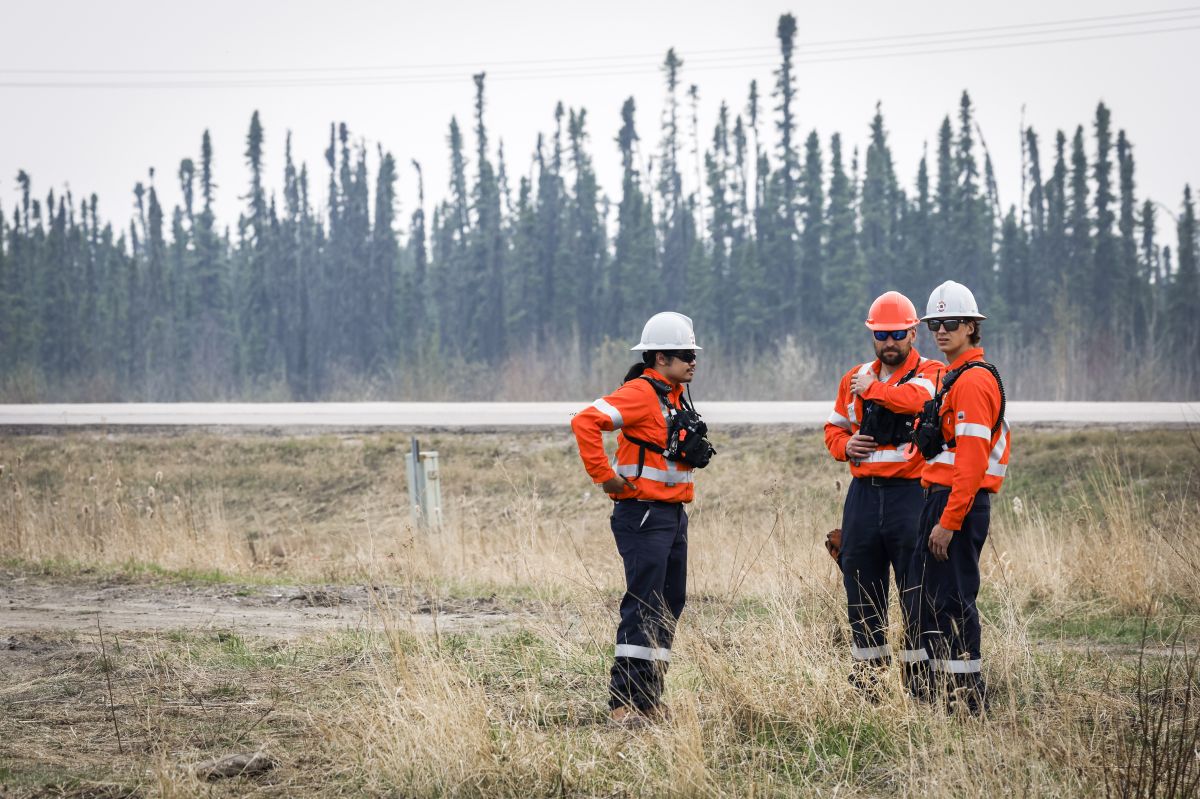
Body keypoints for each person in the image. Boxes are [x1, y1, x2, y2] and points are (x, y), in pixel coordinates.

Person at [570, 311, 713, 726]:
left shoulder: (672, 395)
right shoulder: (640, 393)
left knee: (669, 604)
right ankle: (623, 703)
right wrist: (605, 477)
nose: (693, 360)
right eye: (685, 353)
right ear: (660, 357)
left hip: (671, 514)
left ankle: (649, 698)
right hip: (643, 514)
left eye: (693, 353)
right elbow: (585, 421)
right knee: (644, 604)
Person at [824, 291, 943, 699]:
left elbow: (919, 399)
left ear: (913, 332)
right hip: (863, 494)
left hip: (911, 495)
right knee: (860, 586)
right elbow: (833, 428)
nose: (889, 342)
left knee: (917, 590)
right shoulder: (853, 377)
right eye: (881, 335)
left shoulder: (932, 371)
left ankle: (921, 687)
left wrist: (873, 389)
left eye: (896, 334)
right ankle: (870, 687)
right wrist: (845, 446)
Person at [905, 280, 1009, 715]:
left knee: (954, 600)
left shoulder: (971, 383)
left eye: (949, 323)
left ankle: (969, 699)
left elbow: (970, 462)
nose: (940, 331)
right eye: (934, 324)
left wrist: (948, 522)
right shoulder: (957, 377)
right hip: (945, 499)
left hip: (957, 504)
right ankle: (944, 696)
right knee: (936, 600)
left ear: (971, 326)